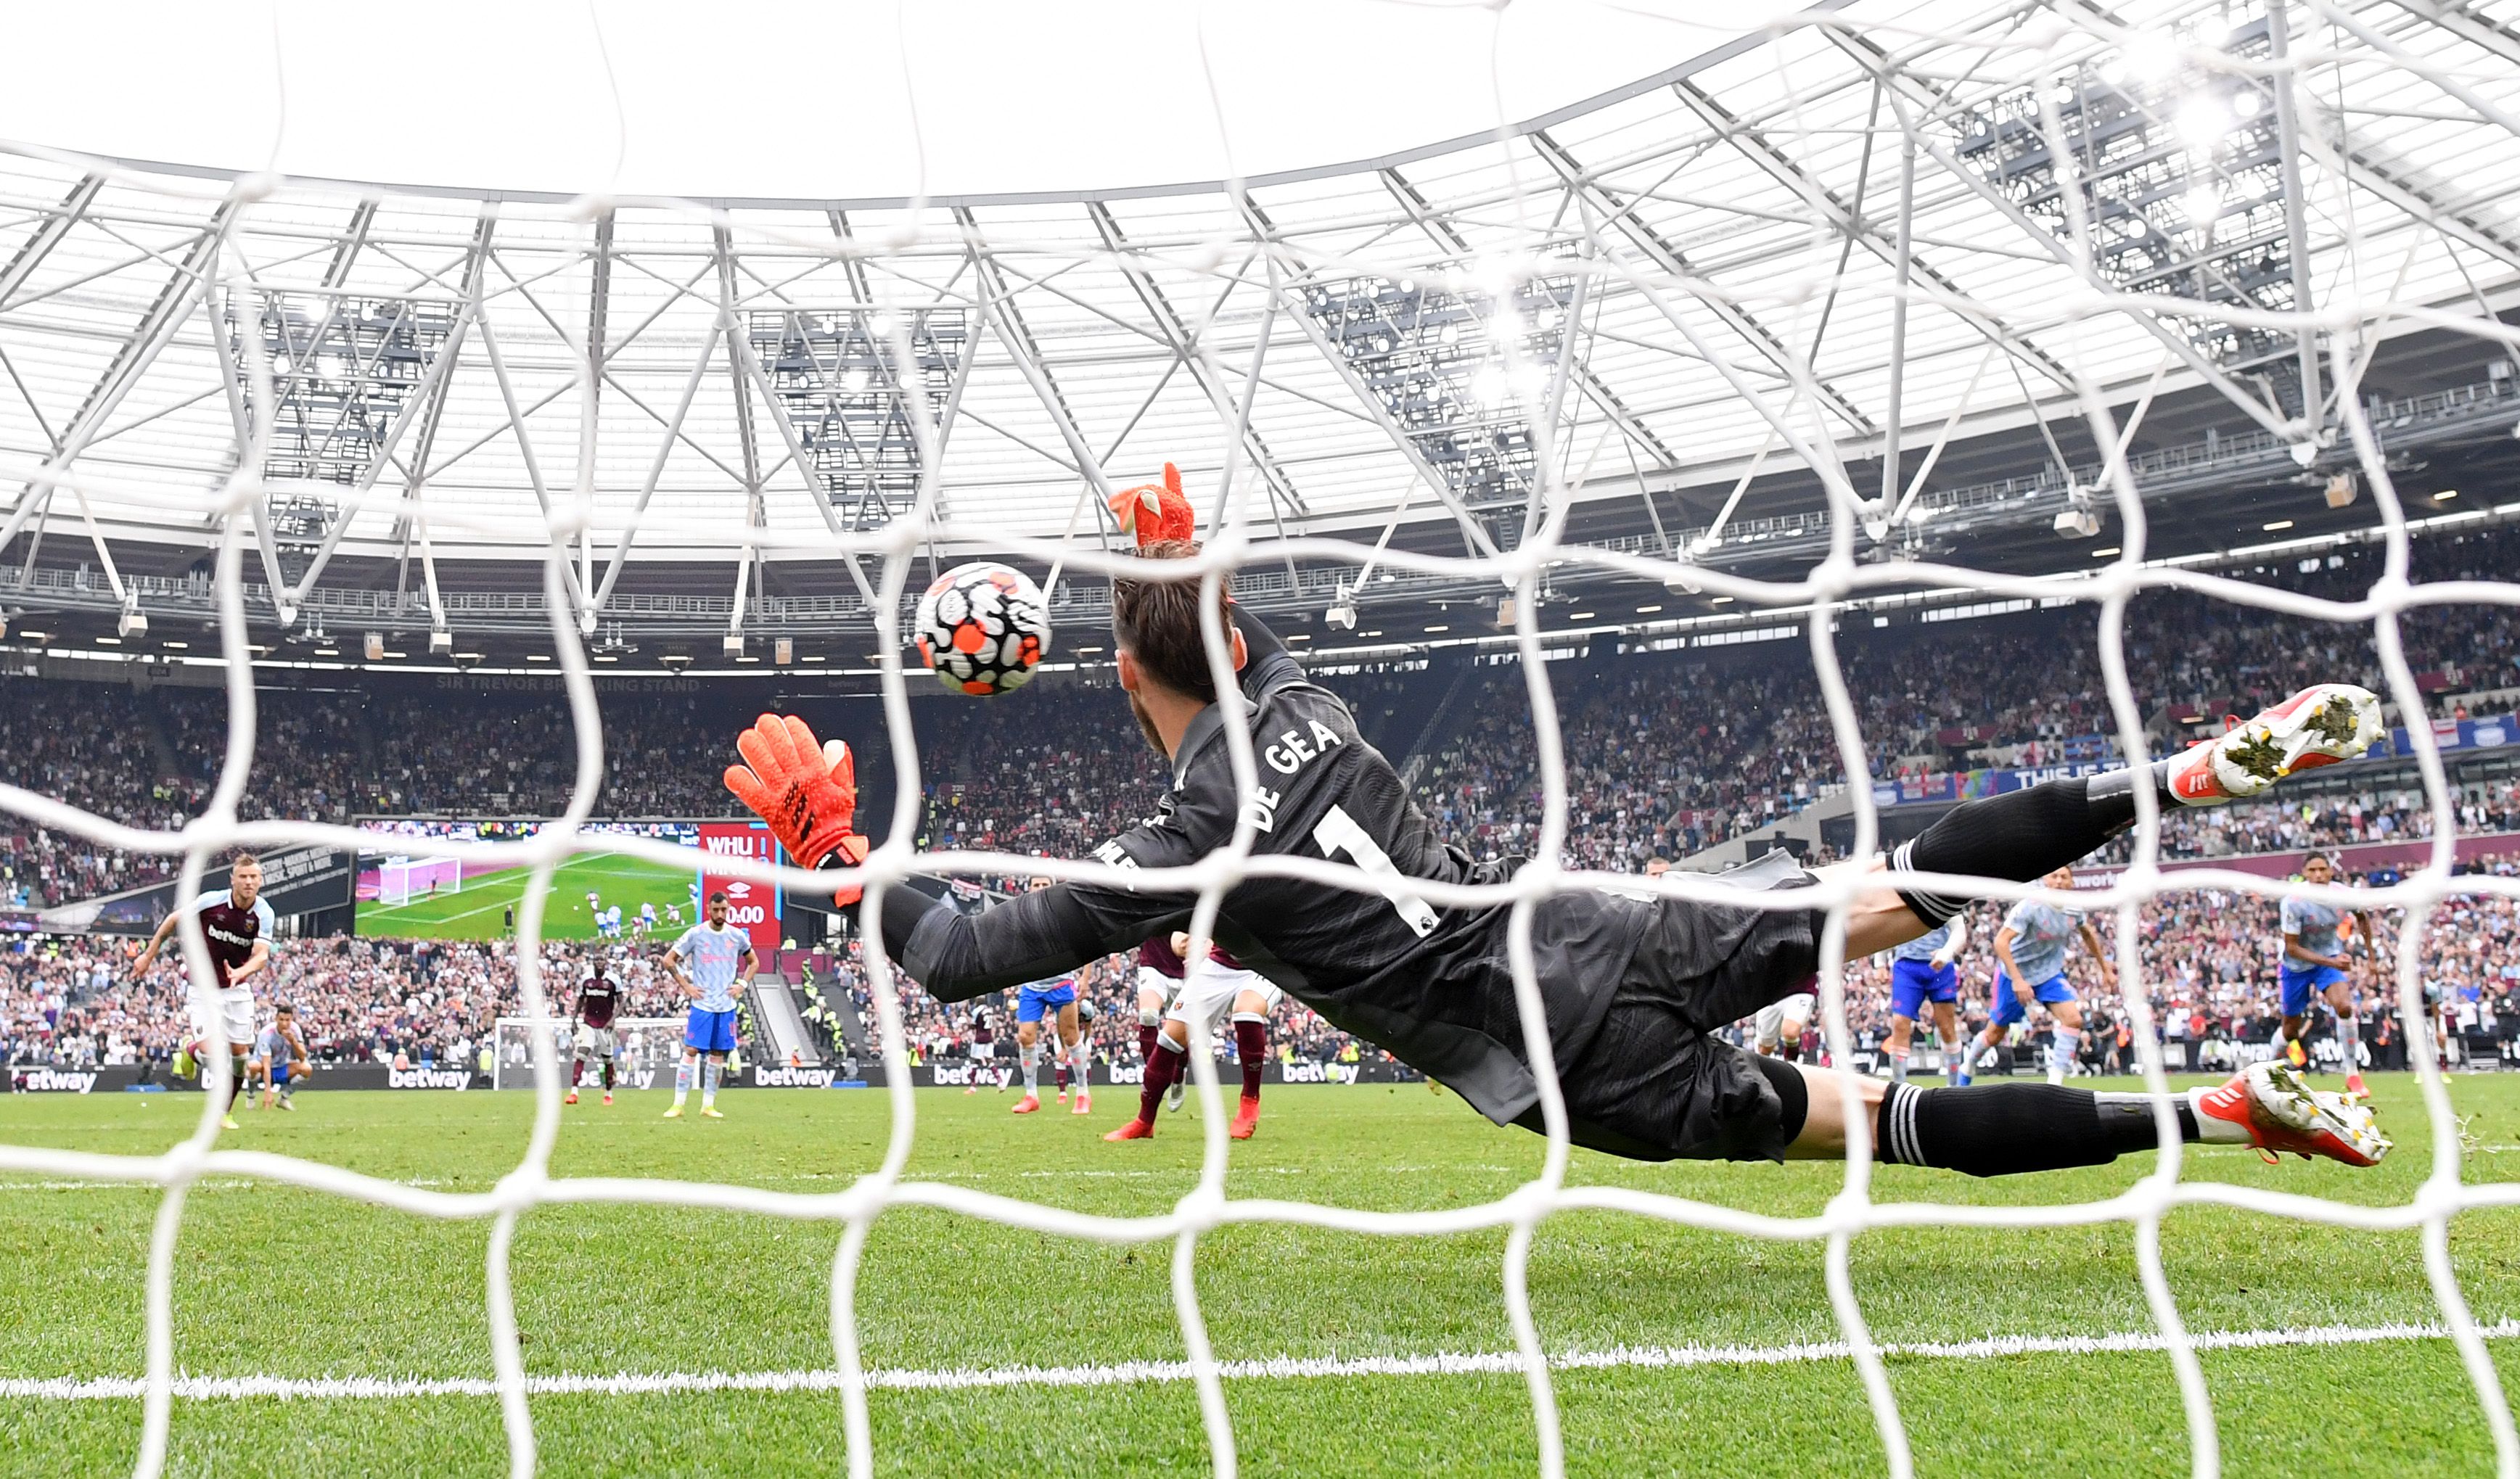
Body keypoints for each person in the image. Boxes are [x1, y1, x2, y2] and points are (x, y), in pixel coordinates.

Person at [719, 499, 2392, 1177]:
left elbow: (958, 955)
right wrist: (1166, 555)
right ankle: (2162, 789)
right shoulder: (1313, 702)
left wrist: (850, 864)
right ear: (1234, 633)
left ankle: (2222, 1107)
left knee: (1881, 1124)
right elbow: (1224, 639)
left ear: (1113, 674)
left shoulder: (1175, 847)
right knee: (1889, 889)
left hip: (1556, 1058)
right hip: (1594, 920)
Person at [132, 853, 275, 1133]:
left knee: (241, 1058)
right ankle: (189, 1050)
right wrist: (149, 955)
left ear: (260, 881)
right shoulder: (212, 901)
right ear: (232, 879)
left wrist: (241, 972)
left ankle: (224, 1113)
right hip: (203, 988)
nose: (248, 882)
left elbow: (262, 955)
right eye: (243, 877)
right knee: (213, 1055)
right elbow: (174, 919)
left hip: (237, 989)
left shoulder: (264, 913)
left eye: (253, 877)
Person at [1108, 928, 1280, 1142]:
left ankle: (1249, 1100)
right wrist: (1188, 943)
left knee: (1246, 1011)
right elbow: (1181, 930)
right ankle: (1144, 1122)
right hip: (1219, 964)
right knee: (1168, 1039)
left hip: (1266, 964)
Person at [1963, 870, 2114, 1087]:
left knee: (2074, 1019)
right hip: (2014, 974)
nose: (2059, 882)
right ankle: (1969, 1064)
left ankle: (2055, 1083)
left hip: (2048, 975)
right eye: (2054, 876)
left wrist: (2105, 969)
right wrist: (2017, 980)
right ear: (2045, 880)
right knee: (1994, 1035)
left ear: (2071, 882)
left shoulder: (2074, 906)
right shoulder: (2030, 906)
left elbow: (2088, 934)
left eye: (2064, 877)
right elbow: (2000, 942)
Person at [2271, 853, 2375, 1097]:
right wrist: (2332, 961)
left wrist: (2371, 958)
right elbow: (2292, 947)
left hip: (2329, 960)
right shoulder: (2294, 901)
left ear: (2331, 872)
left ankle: (2352, 1074)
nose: (2318, 875)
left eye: (2323, 870)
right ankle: (2268, 1064)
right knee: (2290, 1032)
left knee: (2345, 1007)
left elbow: (2363, 918)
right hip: (2296, 966)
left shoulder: (2343, 895)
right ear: (2305, 874)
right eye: (2313, 870)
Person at [661, 891, 754, 1119]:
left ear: (728, 909)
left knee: (718, 1054)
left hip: (726, 1006)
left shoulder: (736, 936)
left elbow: (754, 962)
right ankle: (678, 1104)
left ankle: (708, 1106)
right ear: (708, 909)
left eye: (724, 910)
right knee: (691, 1050)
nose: (720, 914)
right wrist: (687, 987)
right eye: (716, 910)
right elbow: (668, 959)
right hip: (703, 1005)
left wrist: (741, 984)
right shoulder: (697, 934)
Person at [1009, 876, 1091, 1116]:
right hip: (1032, 986)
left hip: (1060, 984)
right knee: (1025, 1037)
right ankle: (1031, 1096)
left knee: (1072, 1038)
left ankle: (1083, 1094)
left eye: (1046, 885)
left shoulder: (1064, 913)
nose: (1041, 889)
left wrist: (1084, 978)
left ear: (1052, 887)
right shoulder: (1020, 914)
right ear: (1029, 888)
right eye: (1037, 885)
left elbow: (1088, 945)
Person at [1883, 911, 1970, 1087]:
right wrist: (1879, 962)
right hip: (1906, 965)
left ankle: (1954, 1088)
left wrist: (1946, 953)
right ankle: (1898, 1088)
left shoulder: (1940, 892)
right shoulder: (1901, 895)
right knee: (1900, 1023)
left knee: (1946, 1027)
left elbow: (1959, 928)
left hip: (1940, 965)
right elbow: (1885, 925)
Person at [567, 955, 621, 1106]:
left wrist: (612, 1020)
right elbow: (580, 1000)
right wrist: (574, 1020)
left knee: (608, 1060)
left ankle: (608, 1094)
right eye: (596, 960)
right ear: (593, 963)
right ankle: (574, 1093)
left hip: (605, 1025)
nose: (599, 962)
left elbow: (621, 1002)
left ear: (605, 963)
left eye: (601, 960)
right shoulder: (586, 979)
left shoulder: (613, 980)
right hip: (588, 1023)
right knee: (581, 1054)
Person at [255, 1004, 310, 1112]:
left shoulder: (295, 1030)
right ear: (276, 1019)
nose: (284, 1023)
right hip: (263, 1068)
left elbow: (303, 1057)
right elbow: (266, 1064)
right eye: (281, 1020)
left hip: (282, 1066)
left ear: (292, 1020)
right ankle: (251, 1097)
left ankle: (283, 1099)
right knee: (252, 1067)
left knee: (307, 1069)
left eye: (287, 1020)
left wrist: (293, 1041)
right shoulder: (267, 1033)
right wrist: (268, 1093)